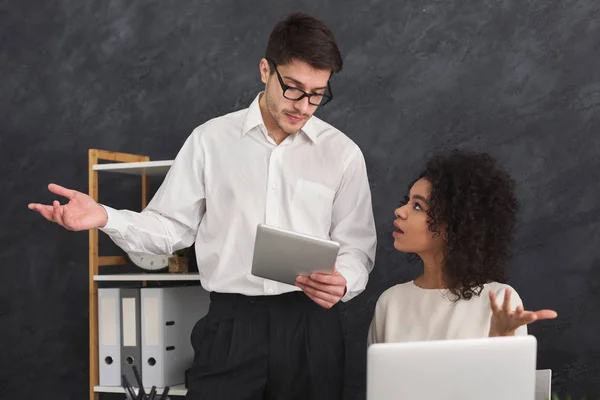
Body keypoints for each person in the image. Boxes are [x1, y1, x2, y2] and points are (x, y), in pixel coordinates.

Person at [29, 12, 377, 400]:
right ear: (266, 70)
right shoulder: (209, 141)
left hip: (312, 328)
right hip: (231, 325)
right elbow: (168, 229)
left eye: (317, 94)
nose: (304, 105)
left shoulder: (343, 154)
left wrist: (343, 279)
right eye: (293, 88)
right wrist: (105, 216)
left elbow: (358, 246)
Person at [367, 150, 556, 345]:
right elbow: (378, 374)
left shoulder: (499, 301)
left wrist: (503, 340)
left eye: (417, 206)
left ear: (455, 225)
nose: (399, 211)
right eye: (407, 201)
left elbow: (508, 376)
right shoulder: (390, 303)